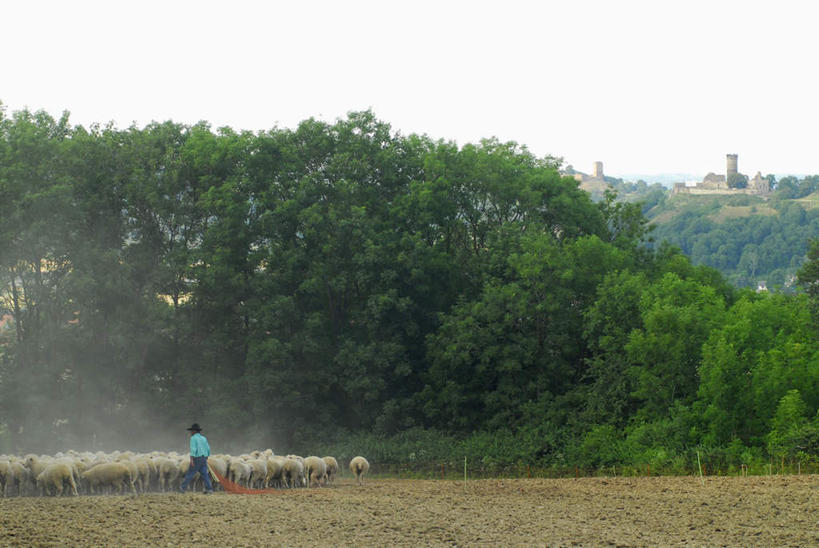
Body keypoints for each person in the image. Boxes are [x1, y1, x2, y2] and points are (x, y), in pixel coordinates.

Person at [179, 423, 214, 494]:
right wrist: (207, 456)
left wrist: (191, 459)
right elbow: (208, 448)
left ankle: (183, 488)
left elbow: (193, 449)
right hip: (204, 458)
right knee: (205, 474)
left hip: (197, 458)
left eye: (191, 431)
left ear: (194, 431)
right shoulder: (204, 438)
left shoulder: (193, 438)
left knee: (190, 473)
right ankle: (209, 489)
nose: (190, 432)